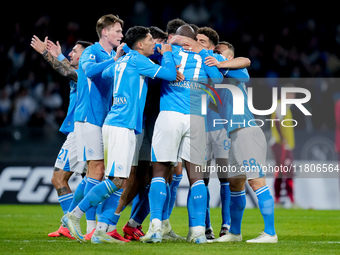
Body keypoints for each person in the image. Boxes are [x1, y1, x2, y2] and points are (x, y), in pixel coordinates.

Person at [62, 26, 177, 243]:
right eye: (150, 39)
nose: (154, 42)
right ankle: (74, 215)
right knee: (117, 179)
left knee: (119, 180)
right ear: (140, 44)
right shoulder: (138, 60)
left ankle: (100, 232)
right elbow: (169, 74)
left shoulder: (122, 61)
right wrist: (168, 53)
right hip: (122, 125)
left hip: (116, 123)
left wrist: (116, 60)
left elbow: (103, 74)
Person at [140, 24, 223, 244]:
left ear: (178, 38)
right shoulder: (206, 58)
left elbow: (149, 53)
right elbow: (219, 79)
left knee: (159, 172)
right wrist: (203, 50)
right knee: (196, 177)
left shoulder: (168, 50)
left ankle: (156, 228)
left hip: (170, 115)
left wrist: (168, 47)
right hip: (196, 119)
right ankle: (197, 232)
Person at [61, 14, 125, 237]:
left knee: (97, 173)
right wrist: (115, 61)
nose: (121, 35)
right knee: (96, 171)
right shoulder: (92, 52)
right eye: (117, 31)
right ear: (105, 32)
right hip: (88, 118)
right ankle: (86, 226)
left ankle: (79, 222)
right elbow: (88, 71)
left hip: (103, 119)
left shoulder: (110, 54)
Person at [208, 41, 278, 243]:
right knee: (235, 184)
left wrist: (221, 63)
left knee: (256, 181)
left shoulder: (234, 73)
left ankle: (270, 233)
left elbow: (245, 64)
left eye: (219, 52)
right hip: (233, 135)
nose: (214, 55)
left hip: (247, 131)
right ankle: (235, 233)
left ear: (228, 58)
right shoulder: (219, 80)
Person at [30, 35, 91, 238]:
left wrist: (45, 53)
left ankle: (69, 223)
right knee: (88, 179)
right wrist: (61, 56)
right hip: (87, 129)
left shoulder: (86, 73)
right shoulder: (89, 74)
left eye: (75, 51)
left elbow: (67, 72)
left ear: (87, 56)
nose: (71, 53)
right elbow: (70, 71)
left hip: (78, 130)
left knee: (58, 178)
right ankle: (94, 227)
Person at [271, 83, 296, 207]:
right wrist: (282, 140)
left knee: (283, 171)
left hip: (283, 144)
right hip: (281, 144)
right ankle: (288, 200)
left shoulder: (284, 105)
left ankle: (280, 199)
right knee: (285, 171)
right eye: (290, 93)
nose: (293, 96)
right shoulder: (282, 105)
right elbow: (276, 121)